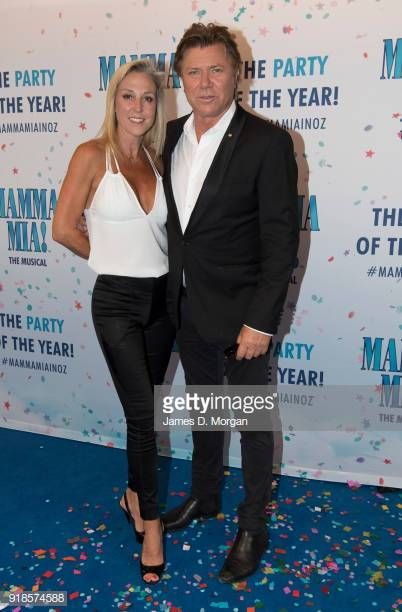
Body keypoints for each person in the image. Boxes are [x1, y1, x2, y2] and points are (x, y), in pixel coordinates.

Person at [161, 23, 299, 583]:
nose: (204, 82)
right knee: (204, 408)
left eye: (216, 69)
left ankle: (252, 526)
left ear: (237, 74)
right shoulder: (169, 136)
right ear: (181, 79)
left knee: (253, 423)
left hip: (244, 315)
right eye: (193, 72)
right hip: (186, 306)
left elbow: (281, 243)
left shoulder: (268, 142)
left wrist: (261, 323)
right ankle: (205, 495)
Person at [52, 59, 175, 584]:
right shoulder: (91, 155)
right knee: (144, 415)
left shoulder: (157, 159)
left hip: (163, 303)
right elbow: (63, 228)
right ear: (114, 101)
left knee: (142, 413)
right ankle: (152, 526)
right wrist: (107, 260)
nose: (138, 107)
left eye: (148, 98)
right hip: (118, 303)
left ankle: (132, 494)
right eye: (129, 96)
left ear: (157, 106)